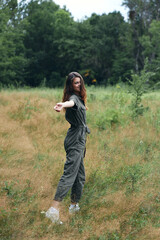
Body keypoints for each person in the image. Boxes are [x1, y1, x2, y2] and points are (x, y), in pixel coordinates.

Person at [45, 72, 90, 224]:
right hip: (75, 140)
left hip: (79, 139)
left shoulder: (79, 98)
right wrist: (62, 104)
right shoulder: (73, 98)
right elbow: (70, 103)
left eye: (80, 82)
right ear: (70, 85)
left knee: (80, 176)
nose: (79, 85)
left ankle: (73, 205)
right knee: (70, 174)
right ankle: (53, 210)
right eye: (76, 83)